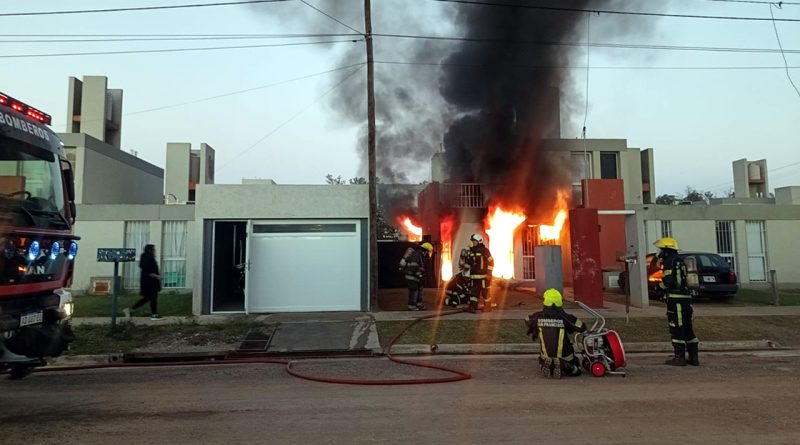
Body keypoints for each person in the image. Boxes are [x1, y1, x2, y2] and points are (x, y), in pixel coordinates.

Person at [654, 237, 700, 366]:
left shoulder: (670, 261)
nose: (660, 252)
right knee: (688, 328)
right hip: (686, 299)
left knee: (676, 327)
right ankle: (694, 357)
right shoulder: (680, 260)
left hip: (675, 300)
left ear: (667, 250)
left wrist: (658, 287)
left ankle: (679, 358)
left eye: (661, 249)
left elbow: (668, 281)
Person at [524, 288, 587, 378]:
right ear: (559, 301)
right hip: (565, 356)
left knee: (543, 358)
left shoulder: (537, 317)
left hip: (545, 355)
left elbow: (527, 320)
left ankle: (545, 365)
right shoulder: (565, 317)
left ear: (545, 301)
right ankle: (566, 366)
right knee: (577, 371)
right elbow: (581, 327)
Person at [123, 244, 163, 320]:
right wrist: (157, 276)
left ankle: (130, 309)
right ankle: (154, 315)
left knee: (148, 298)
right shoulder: (148, 258)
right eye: (153, 249)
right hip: (150, 282)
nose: (155, 251)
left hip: (147, 281)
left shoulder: (145, 257)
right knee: (153, 298)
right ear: (150, 250)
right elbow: (148, 271)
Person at [399, 242, 434, 311]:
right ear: (425, 250)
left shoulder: (420, 255)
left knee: (419, 289)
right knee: (414, 291)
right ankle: (411, 306)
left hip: (416, 276)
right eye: (428, 252)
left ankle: (419, 304)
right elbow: (413, 266)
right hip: (411, 276)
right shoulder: (416, 255)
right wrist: (419, 274)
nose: (428, 254)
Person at [464, 233, 494, 313]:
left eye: (474, 241)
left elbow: (491, 262)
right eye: (472, 241)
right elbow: (469, 264)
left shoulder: (485, 251)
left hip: (483, 277)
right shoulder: (472, 251)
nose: (473, 243)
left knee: (485, 292)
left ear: (479, 241)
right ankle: (472, 307)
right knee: (474, 293)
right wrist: (467, 274)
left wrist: (489, 273)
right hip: (474, 277)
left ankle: (488, 307)